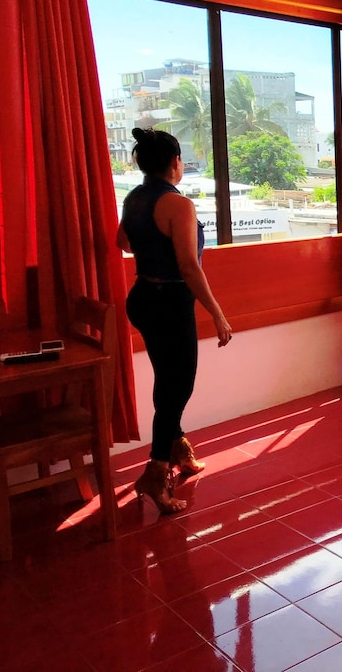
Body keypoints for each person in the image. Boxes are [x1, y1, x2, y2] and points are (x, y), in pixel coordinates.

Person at [116, 128, 232, 514]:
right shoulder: (177, 204)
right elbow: (188, 265)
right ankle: (156, 471)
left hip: (142, 298)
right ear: (174, 163)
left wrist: (152, 246)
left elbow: (123, 242)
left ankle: (178, 447)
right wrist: (217, 313)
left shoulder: (134, 198)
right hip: (170, 303)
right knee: (178, 387)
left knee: (167, 382)